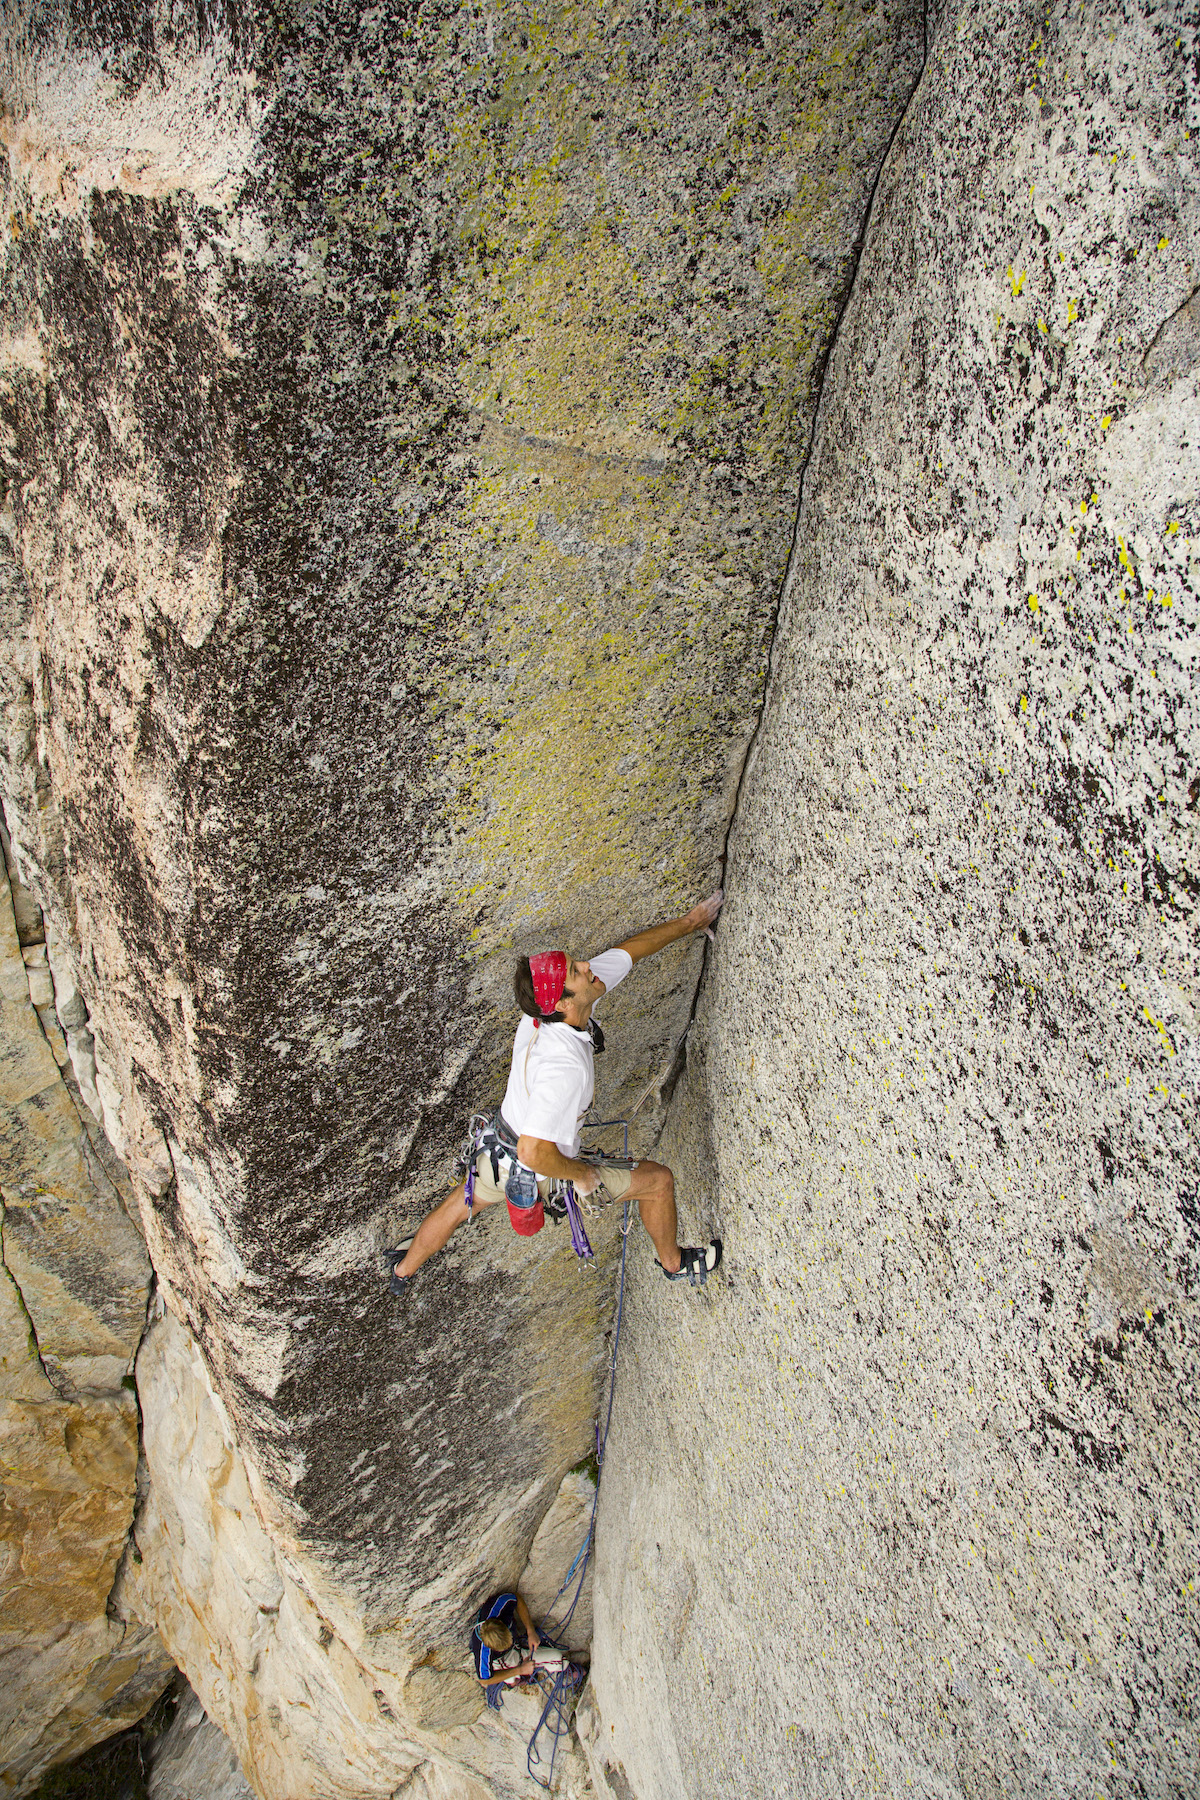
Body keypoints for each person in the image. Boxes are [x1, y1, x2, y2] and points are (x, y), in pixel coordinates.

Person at [385, 892, 724, 1293]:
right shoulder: (564, 1065)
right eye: (576, 971)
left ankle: (403, 1270)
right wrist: (582, 1175)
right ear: (563, 1002)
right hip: (537, 1166)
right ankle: (674, 1263)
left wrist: (690, 922)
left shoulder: (547, 1011)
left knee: (458, 1206)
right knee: (658, 1182)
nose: (587, 965)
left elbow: (628, 953)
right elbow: (533, 1152)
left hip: (495, 1154)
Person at [471, 1590, 542, 1691]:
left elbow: (516, 1598)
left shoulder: (498, 1606)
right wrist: (520, 1670)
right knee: (510, 1675)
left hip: (515, 1644)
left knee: (554, 1656)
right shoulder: (482, 1651)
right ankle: (512, 1682)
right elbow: (485, 1680)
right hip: (500, 1659)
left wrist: (530, 1630)